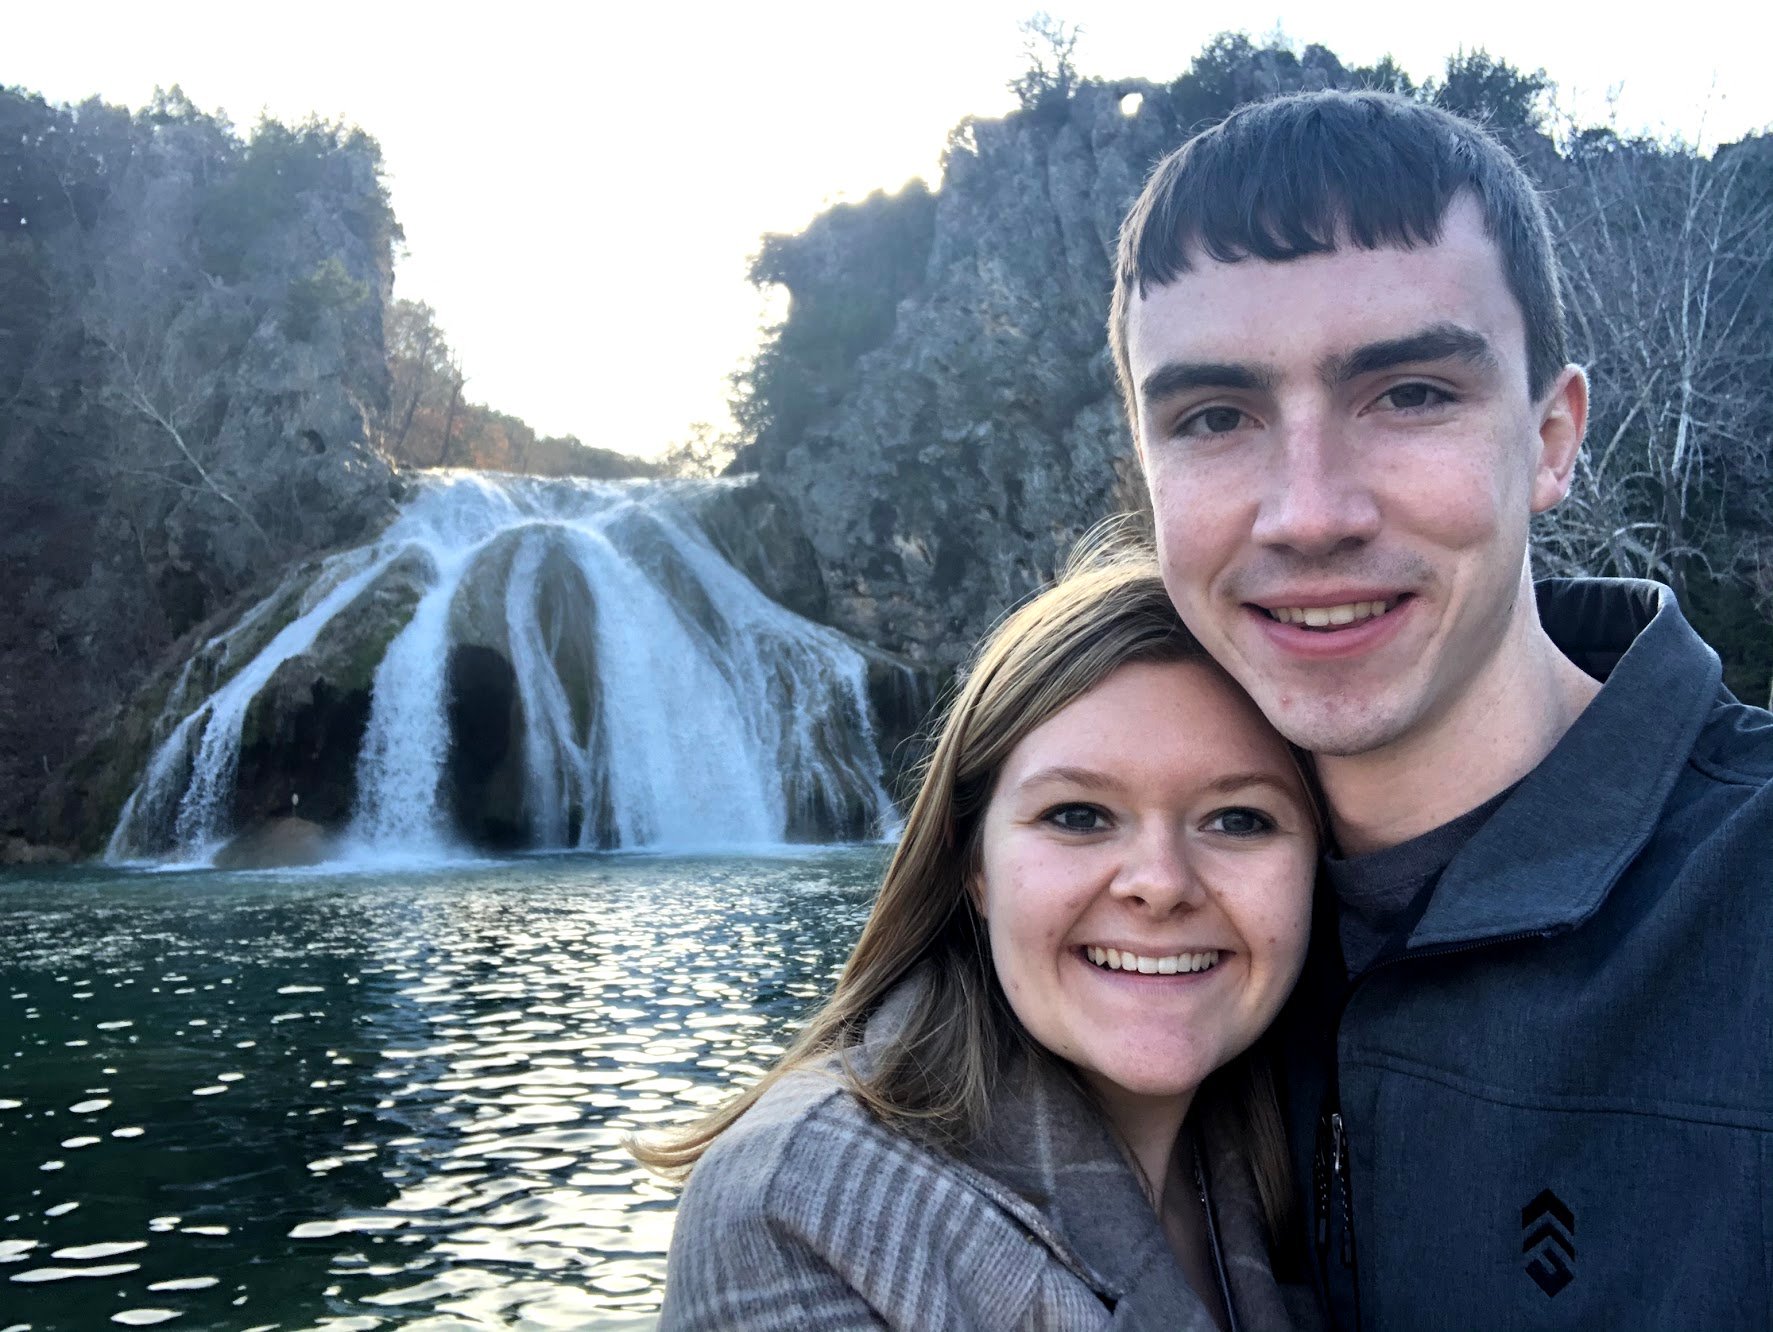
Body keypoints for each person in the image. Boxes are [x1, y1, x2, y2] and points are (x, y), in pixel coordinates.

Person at [1109, 89, 1773, 1327]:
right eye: (1215, 418)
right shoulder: (1120, 935)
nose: (1310, 513)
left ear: (1552, 438)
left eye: (1410, 393)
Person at [640, 544, 1325, 1329]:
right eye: (1077, 815)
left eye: (1239, 819)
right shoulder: (795, 1204)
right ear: (974, 863)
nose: (1161, 882)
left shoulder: (1306, 1154)